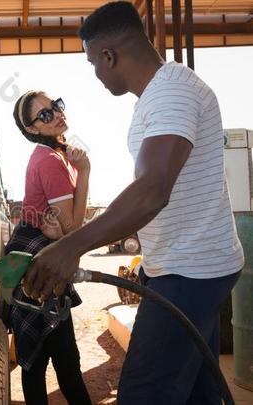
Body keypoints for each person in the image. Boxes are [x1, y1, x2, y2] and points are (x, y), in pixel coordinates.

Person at [22, 2, 244, 404]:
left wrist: (70, 246)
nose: (96, 74)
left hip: (190, 270)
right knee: (199, 392)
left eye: (93, 63)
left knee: (144, 394)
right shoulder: (160, 94)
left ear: (109, 56)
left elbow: (153, 188)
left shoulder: (171, 93)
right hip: (188, 266)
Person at [4, 90, 92, 405]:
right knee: (64, 362)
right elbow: (73, 229)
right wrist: (85, 173)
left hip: (38, 263)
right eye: (44, 115)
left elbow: (67, 227)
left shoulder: (56, 155)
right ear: (32, 129)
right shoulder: (52, 161)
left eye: (55, 105)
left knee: (38, 361)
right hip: (41, 266)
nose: (55, 114)